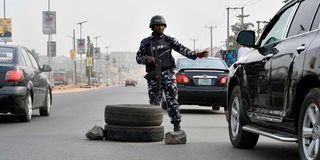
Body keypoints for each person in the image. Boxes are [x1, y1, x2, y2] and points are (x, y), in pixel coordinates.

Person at [136, 15, 208, 132]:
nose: (160, 27)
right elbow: (138, 58)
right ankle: (153, 126)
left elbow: (181, 49)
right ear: (152, 27)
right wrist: (146, 58)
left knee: (172, 101)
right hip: (154, 75)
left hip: (168, 74)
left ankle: (176, 125)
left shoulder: (169, 40)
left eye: (162, 25)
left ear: (165, 27)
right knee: (154, 102)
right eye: (157, 25)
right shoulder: (146, 42)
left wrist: (195, 55)